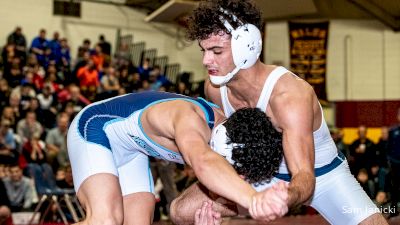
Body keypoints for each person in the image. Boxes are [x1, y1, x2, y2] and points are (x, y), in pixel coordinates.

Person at [170, 0, 387, 224]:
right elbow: (225, 149)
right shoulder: (215, 89)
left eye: (216, 51)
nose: (206, 60)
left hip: (322, 176)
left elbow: (304, 175)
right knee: (182, 211)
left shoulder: (289, 96)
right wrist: (226, 199)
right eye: (204, 50)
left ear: (247, 46)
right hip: (258, 175)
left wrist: (284, 197)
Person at [67, 91, 285, 225]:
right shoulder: (190, 118)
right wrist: (253, 199)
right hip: (95, 127)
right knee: (106, 220)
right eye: (232, 169)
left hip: (132, 152)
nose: (232, 174)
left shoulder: (221, 139)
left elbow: (186, 207)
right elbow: (204, 162)